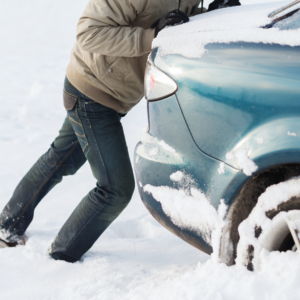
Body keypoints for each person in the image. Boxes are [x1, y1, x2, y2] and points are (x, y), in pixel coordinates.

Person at [0, 0, 205, 262]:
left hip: (112, 94)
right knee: (115, 189)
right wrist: (150, 37)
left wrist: (214, 13)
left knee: (61, 159)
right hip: (91, 92)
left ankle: (7, 226)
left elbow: (178, 19)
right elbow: (89, 32)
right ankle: (61, 257)